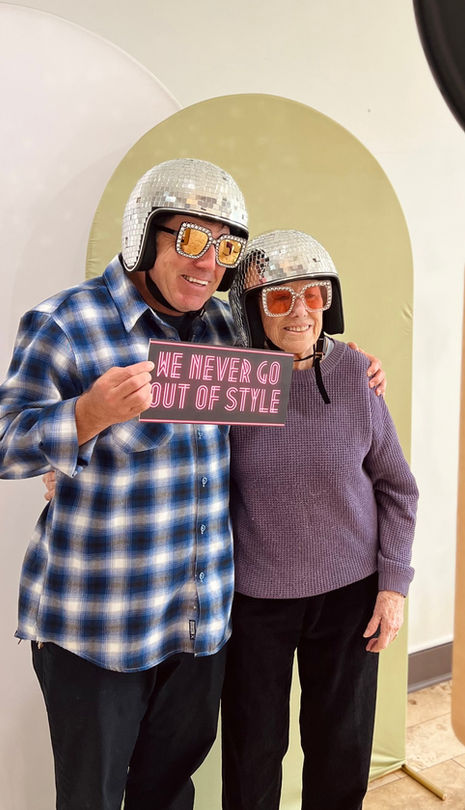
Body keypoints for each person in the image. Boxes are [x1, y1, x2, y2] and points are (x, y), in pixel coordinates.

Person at [1, 159, 385, 810]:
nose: (207, 262)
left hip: (197, 626)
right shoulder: (64, 321)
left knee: (168, 794)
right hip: (101, 629)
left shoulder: (224, 328)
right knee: (91, 799)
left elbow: (296, 357)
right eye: (188, 239)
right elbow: (7, 442)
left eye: (224, 247)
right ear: (144, 235)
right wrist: (86, 415)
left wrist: (352, 366)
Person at [222, 229, 419, 810]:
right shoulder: (231, 381)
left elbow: (397, 488)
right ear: (254, 310)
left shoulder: (359, 376)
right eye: (280, 299)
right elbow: (165, 435)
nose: (301, 311)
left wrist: (393, 586)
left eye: (314, 295)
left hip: (349, 594)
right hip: (257, 596)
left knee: (342, 748)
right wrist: (78, 457)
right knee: (252, 751)